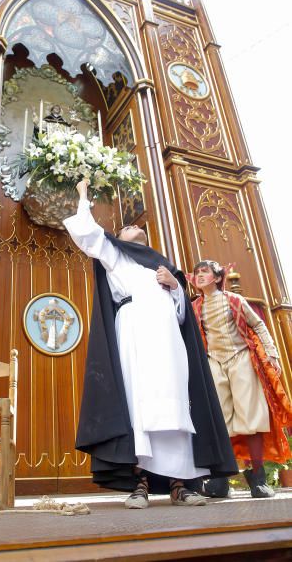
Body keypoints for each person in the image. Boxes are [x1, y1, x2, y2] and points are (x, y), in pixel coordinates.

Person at [63, 181, 237, 509]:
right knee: (139, 403)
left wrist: (175, 288)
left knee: (174, 402)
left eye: (136, 226)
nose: (132, 227)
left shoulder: (165, 267)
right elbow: (87, 234)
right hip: (133, 331)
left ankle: (180, 484)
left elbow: (182, 314)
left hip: (168, 339)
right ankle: (140, 483)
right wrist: (83, 194)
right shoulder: (115, 255)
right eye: (126, 226)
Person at [191, 260, 292, 498]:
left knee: (251, 418)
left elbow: (258, 326)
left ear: (217, 277)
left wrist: (272, 353)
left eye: (204, 271)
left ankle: (258, 479)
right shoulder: (195, 306)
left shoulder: (235, 300)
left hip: (241, 359)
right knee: (220, 420)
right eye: (196, 273)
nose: (199, 275)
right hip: (214, 362)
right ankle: (220, 480)